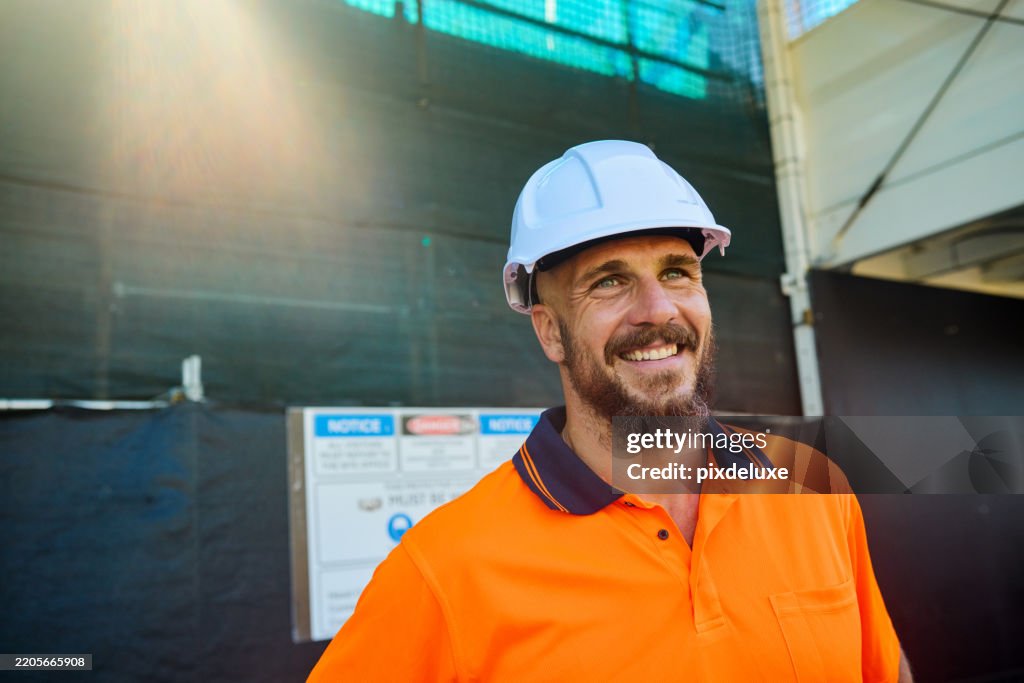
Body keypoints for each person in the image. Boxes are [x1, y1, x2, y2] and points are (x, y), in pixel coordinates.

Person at [308, 140, 912, 681]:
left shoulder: (811, 488)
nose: (657, 310)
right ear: (549, 332)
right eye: (608, 282)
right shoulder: (444, 571)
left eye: (678, 272)